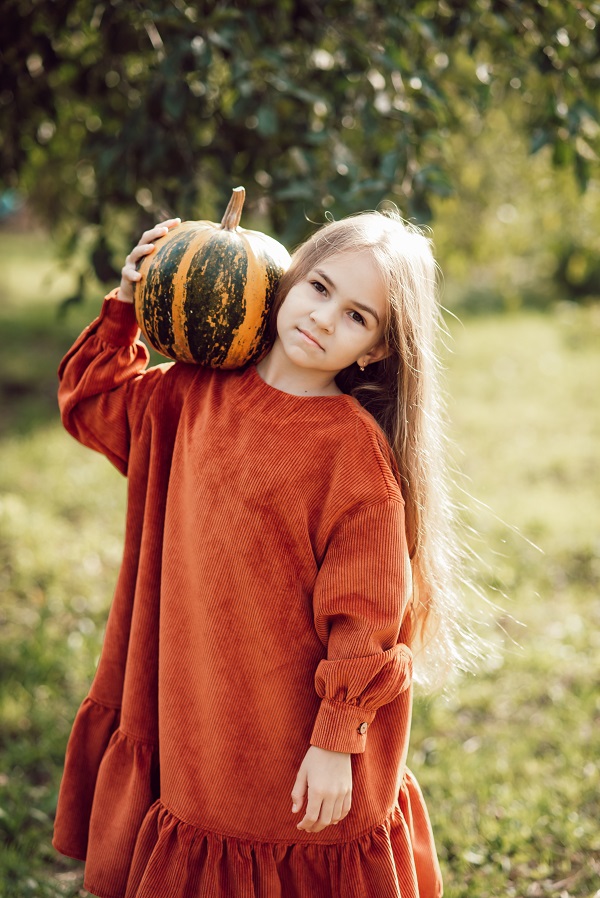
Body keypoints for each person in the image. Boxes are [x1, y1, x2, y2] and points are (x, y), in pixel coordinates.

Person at [52, 208, 467, 898]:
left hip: (288, 724)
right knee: (203, 823)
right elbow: (91, 402)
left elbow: (366, 619)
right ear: (287, 279)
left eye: (359, 317)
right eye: (320, 288)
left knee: (278, 845)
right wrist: (127, 303)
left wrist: (335, 741)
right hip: (196, 702)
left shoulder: (353, 456)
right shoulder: (192, 391)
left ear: (376, 352)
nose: (326, 318)